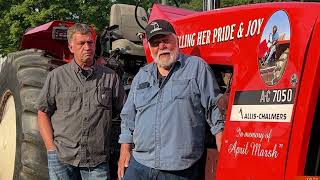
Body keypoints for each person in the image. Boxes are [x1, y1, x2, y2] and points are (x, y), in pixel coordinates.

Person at [117, 19, 225, 180]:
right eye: (155, 43)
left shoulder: (196, 68)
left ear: (177, 40)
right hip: (140, 164)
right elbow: (128, 117)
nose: (161, 46)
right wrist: (124, 149)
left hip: (179, 170)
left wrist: (223, 151)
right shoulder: (142, 75)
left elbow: (214, 109)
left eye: (165, 40)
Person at [37, 23, 126, 180]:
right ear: (71, 47)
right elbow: (43, 112)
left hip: (97, 161)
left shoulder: (110, 77)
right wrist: (51, 149)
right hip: (62, 158)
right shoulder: (57, 77)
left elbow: (125, 114)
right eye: (81, 43)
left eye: (90, 43)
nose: (87, 47)